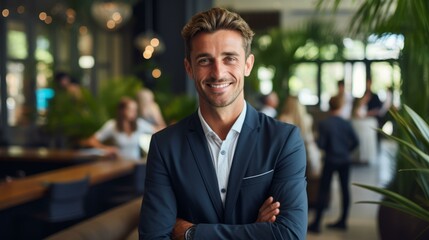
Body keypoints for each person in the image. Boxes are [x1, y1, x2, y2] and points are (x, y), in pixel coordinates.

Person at [139, 7, 308, 240]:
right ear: (189, 68)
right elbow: (154, 237)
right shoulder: (165, 146)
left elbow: (288, 234)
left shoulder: (283, 140)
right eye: (205, 60)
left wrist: (191, 233)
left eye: (229, 58)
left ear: (248, 65)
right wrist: (256, 229)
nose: (218, 73)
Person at [308, 95, 359, 233]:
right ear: (341, 106)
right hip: (345, 160)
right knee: (345, 189)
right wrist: (345, 151)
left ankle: (317, 223)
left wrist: (316, 141)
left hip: (330, 160)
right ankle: (343, 221)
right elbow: (356, 141)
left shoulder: (324, 123)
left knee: (323, 190)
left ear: (330, 106)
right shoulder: (346, 123)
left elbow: (321, 144)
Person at [82, 97, 156, 161]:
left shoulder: (139, 124)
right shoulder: (112, 125)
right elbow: (91, 141)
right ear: (122, 110)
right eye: (131, 109)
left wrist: (157, 115)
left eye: (135, 110)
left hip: (135, 165)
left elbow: (158, 131)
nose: (134, 113)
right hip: (118, 166)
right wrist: (106, 148)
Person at [278, 95, 321, 177]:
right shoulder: (308, 118)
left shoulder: (283, 119)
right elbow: (309, 137)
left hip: (289, 153)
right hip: (306, 151)